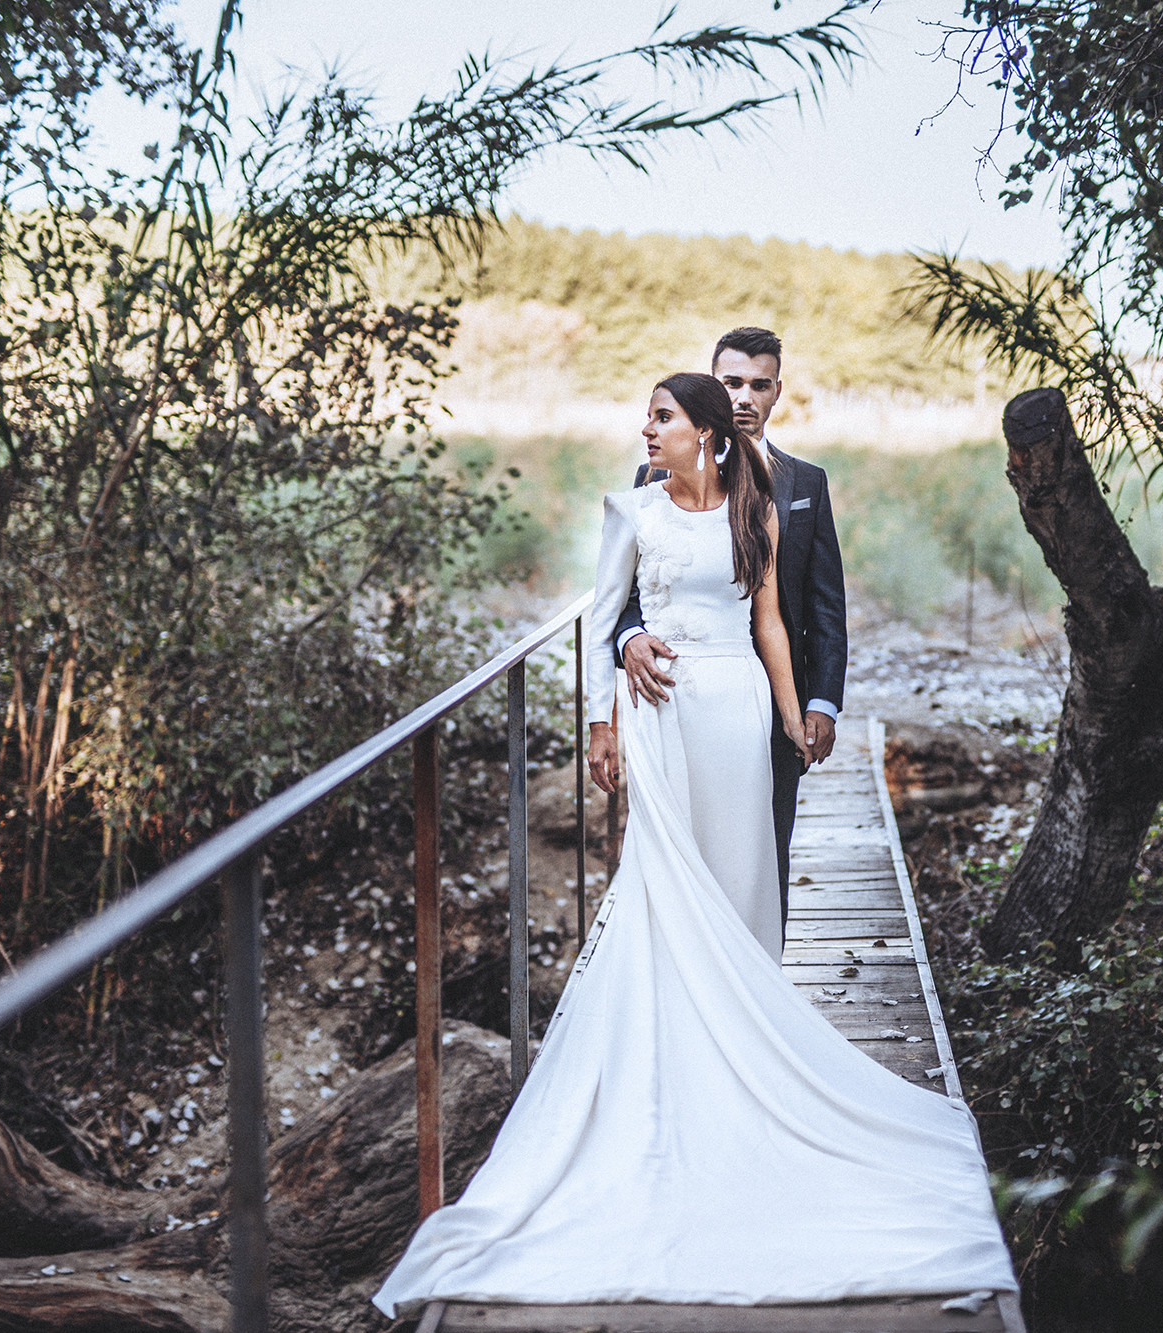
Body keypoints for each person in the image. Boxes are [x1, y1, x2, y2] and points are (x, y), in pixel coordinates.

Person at [371, 373, 1014, 1317]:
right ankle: (671, 1061)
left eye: (663, 417)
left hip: (736, 706)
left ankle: (744, 1050)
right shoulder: (630, 510)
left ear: (707, 433)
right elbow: (604, 619)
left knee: (741, 877)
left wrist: (793, 719)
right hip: (661, 715)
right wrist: (600, 726)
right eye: (649, 417)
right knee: (665, 882)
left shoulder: (757, 513)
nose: (648, 428)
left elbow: (771, 623)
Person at [601, 326, 847, 943]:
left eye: (759, 385)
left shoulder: (804, 484)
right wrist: (631, 638)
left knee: (761, 856)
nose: (744, 397)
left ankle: (757, 979)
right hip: (673, 696)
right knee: (678, 851)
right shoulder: (652, 480)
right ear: (712, 388)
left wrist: (820, 703)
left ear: (777, 392)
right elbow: (631, 592)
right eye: (731, 382)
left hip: (767, 697)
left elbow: (824, 605)